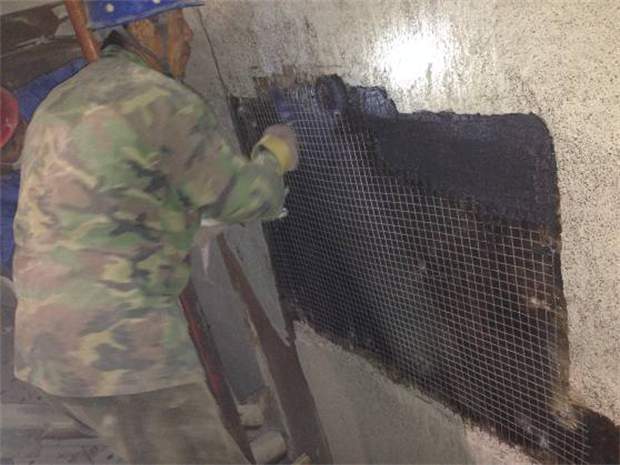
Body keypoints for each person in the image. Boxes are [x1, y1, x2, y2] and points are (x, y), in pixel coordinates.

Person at [12, 0, 298, 463]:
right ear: (143, 28)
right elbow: (246, 198)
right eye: (179, 21)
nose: (189, 35)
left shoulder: (60, 102)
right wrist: (274, 155)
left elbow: (111, 200)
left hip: (48, 351)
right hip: (122, 353)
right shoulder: (160, 99)